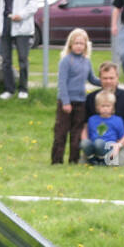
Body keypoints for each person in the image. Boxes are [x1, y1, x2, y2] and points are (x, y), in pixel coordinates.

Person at [53, 28, 100, 163]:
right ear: (70, 44)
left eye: (81, 43)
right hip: (66, 102)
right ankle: (57, 160)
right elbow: (62, 83)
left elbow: (91, 78)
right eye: (76, 43)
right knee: (61, 132)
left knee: (77, 132)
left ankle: (74, 159)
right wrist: (65, 102)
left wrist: (104, 82)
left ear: (86, 45)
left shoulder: (86, 61)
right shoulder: (66, 61)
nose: (79, 46)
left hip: (81, 101)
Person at [0, 0, 41, 99]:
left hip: (21, 25)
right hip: (4, 24)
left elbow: (34, 2)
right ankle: (9, 89)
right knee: (6, 60)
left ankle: (23, 89)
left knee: (23, 59)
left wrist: (21, 15)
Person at [86, 62, 124, 158]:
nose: (108, 81)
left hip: (117, 142)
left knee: (114, 163)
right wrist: (87, 144)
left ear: (117, 78)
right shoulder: (91, 98)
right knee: (88, 163)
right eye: (105, 78)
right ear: (100, 79)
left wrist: (120, 144)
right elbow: (84, 125)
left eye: (111, 78)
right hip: (95, 143)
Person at [81, 91, 124, 164]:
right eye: (103, 106)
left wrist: (116, 147)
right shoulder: (92, 119)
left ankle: (103, 160)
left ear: (112, 107)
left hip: (109, 147)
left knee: (99, 142)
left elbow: (120, 136)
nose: (105, 108)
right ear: (97, 107)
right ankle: (92, 160)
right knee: (84, 143)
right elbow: (89, 134)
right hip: (94, 146)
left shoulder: (117, 120)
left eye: (108, 106)